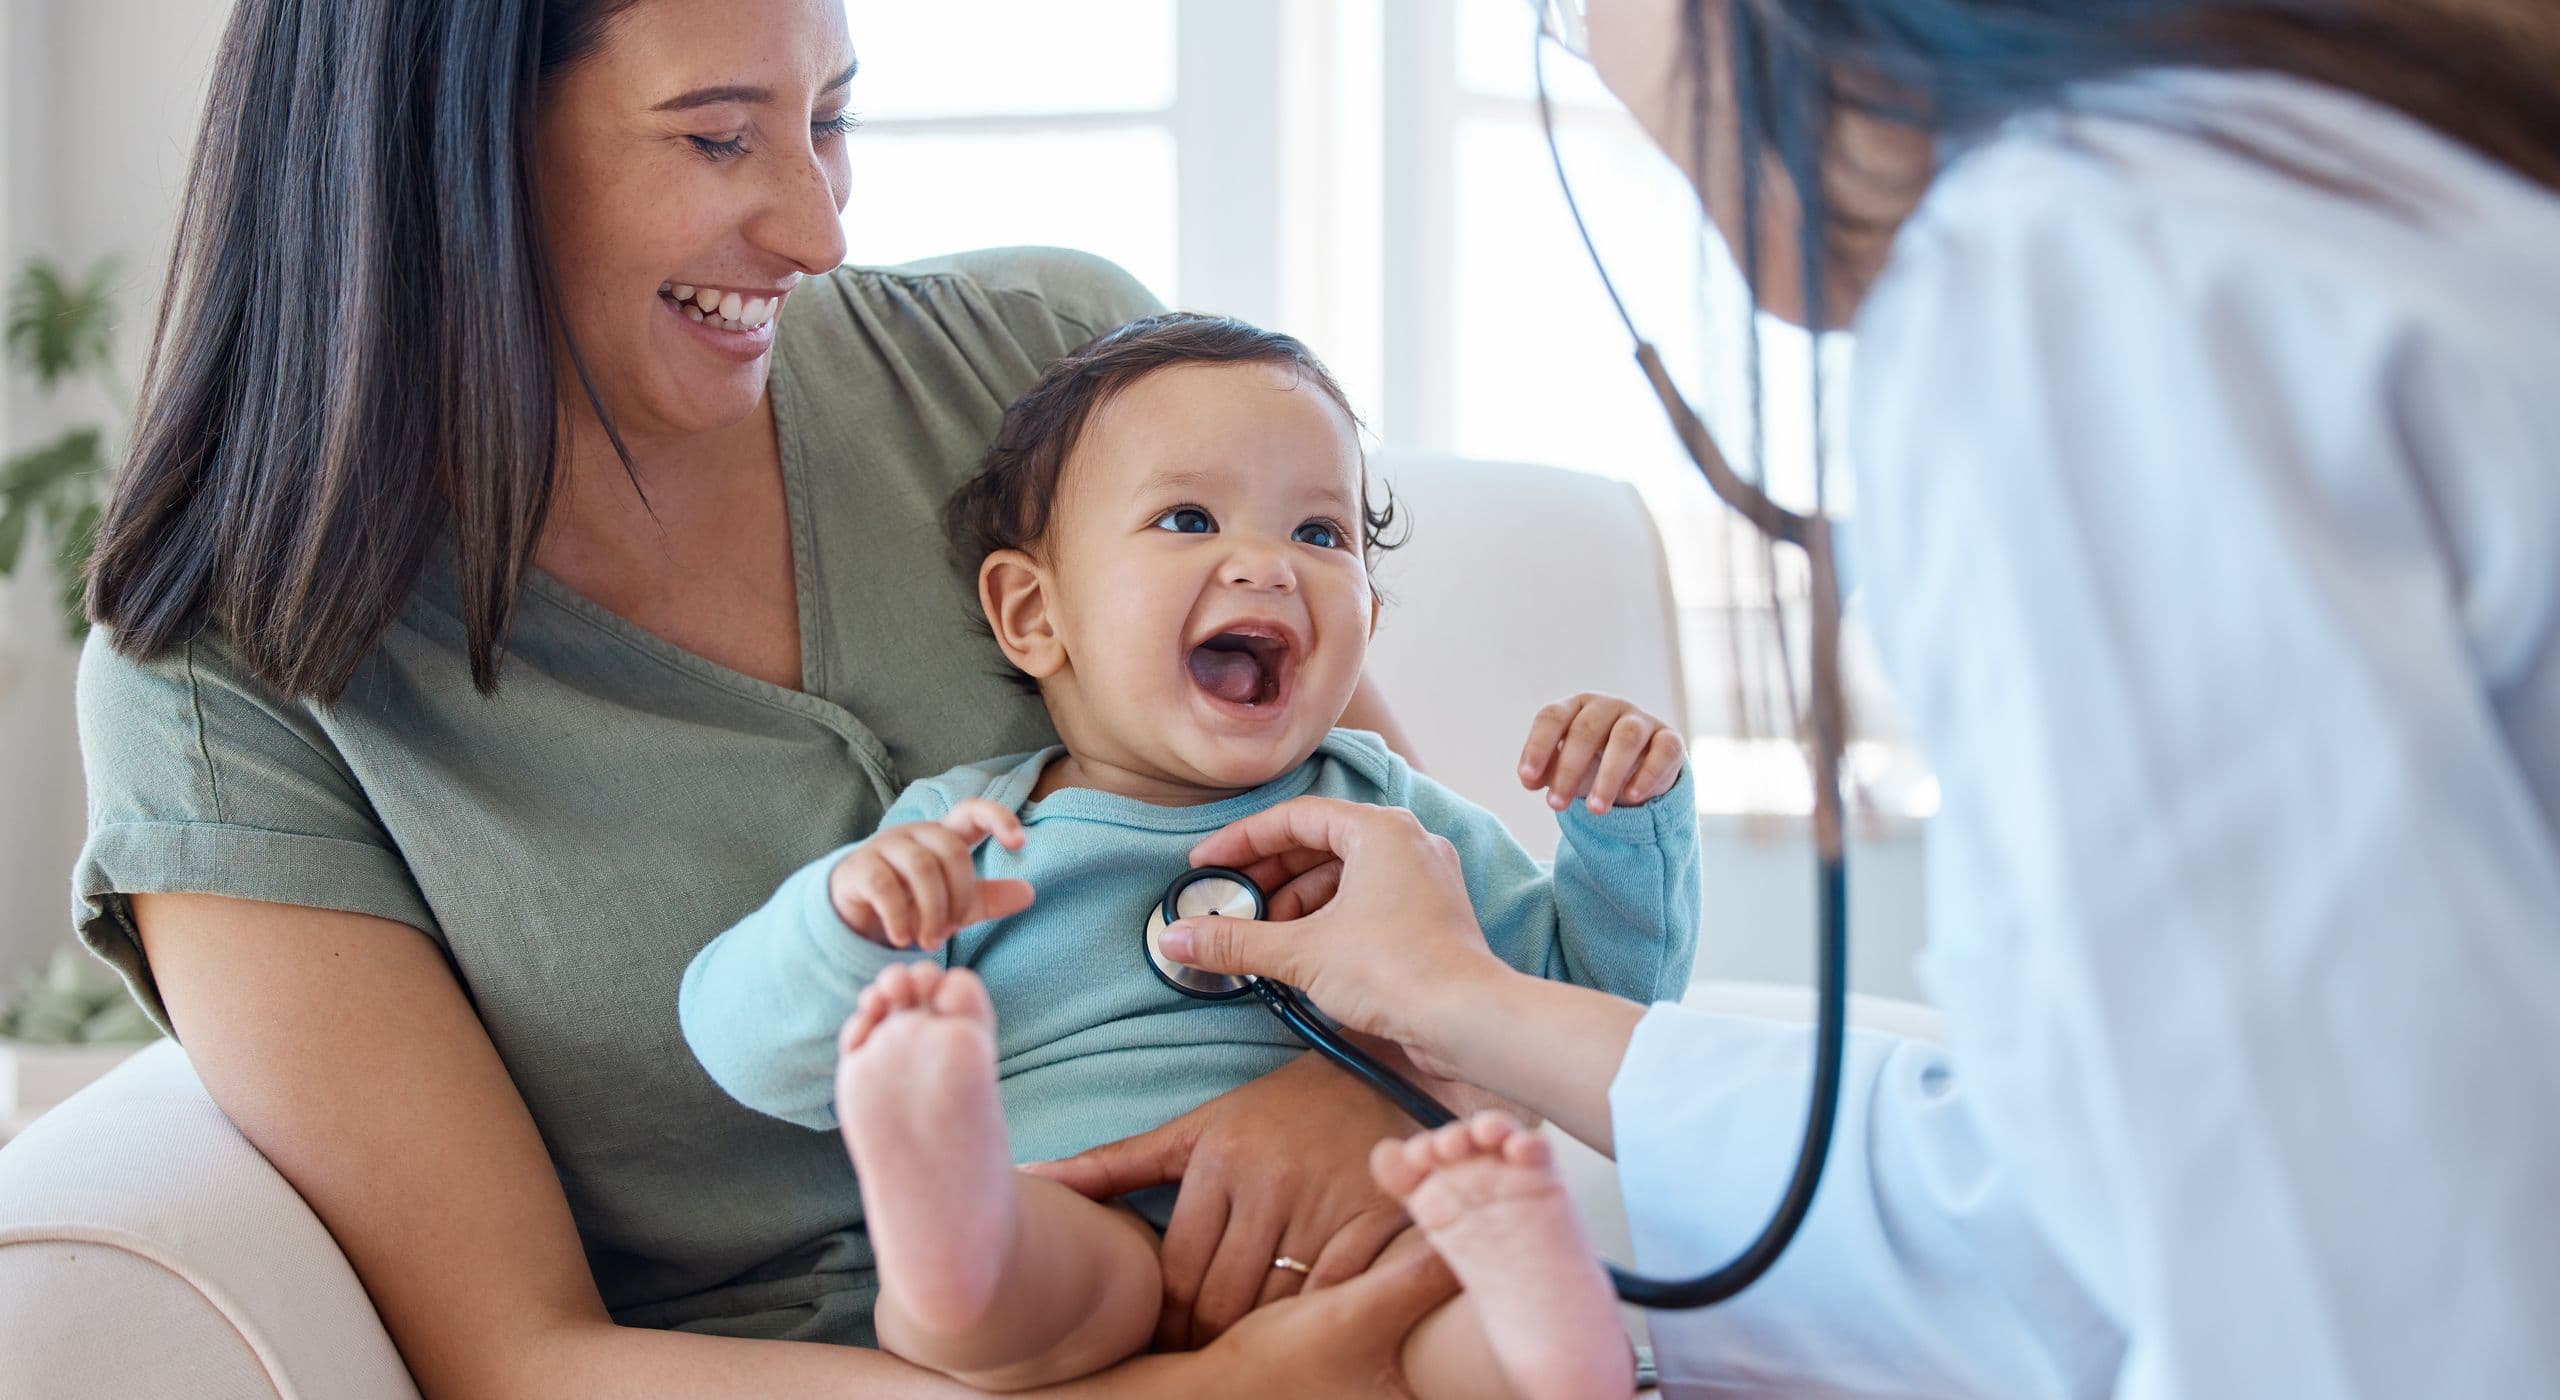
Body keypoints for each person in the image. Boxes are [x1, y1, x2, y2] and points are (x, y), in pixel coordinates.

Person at [1139, 0, 2560, 1395]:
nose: (1604, 67)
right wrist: (1461, 1003)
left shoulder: (2082, 281)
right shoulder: (2320, 194)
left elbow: (2330, 1292)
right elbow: (2087, 1212)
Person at [67, 2, 1474, 1394]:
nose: (820, 232)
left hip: (1384, 1312)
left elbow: (1426, 888)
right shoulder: (219, 689)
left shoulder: (1058, 364)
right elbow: (522, 1359)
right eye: (720, 137)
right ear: (453, 159)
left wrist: (1371, 1091)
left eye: (830, 121)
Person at [677, 313, 1696, 1395]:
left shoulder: (1389, 815)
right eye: (1187, 517)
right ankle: (947, 1202)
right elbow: (750, 1053)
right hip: (1084, 1214)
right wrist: (845, 920)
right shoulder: (973, 836)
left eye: (1320, 533)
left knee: (1462, 1332)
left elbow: (1581, 1004)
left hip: (1376, 1229)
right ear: (1034, 612)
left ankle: (1542, 1311)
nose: (1264, 563)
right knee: (993, 1302)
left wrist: (1620, 827)